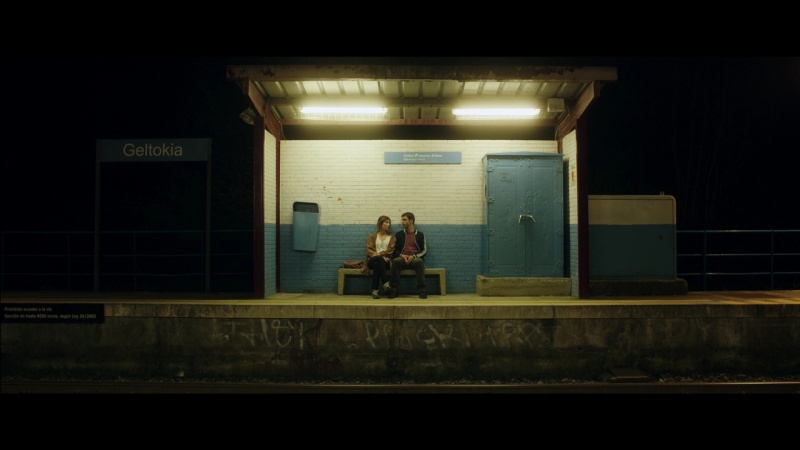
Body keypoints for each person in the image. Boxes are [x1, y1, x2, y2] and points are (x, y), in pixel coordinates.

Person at [386, 212, 428, 299]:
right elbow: (395, 250)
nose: (402, 222)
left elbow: (424, 250)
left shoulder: (420, 235)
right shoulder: (399, 234)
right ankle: (394, 289)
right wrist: (402, 255)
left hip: (415, 258)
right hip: (402, 258)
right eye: (402, 220)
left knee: (418, 261)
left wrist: (414, 256)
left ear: (411, 221)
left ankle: (422, 290)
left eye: (405, 220)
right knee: (396, 261)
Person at [365, 215, 396, 299]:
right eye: (386, 222)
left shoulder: (392, 237)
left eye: (389, 223)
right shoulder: (373, 236)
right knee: (378, 259)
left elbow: (391, 250)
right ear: (380, 224)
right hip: (372, 259)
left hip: (386, 261)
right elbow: (369, 249)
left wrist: (380, 256)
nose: (388, 224)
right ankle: (385, 282)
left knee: (377, 264)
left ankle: (374, 290)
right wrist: (380, 256)